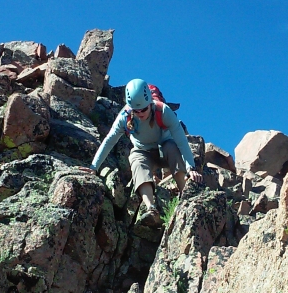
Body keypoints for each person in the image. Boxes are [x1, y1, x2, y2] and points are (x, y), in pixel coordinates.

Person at [82, 79, 202, 226]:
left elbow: (181, 140)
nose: (139, 113)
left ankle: (187, 198)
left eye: (143, 109)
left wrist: (191, 167)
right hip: (144, 152)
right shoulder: (124, 117)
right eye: (136, 111)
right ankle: (152, 209)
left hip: (165, 150)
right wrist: (94, 167)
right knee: (135, 158)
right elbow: (109, 141)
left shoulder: (163, 111)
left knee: (171, 146)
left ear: (150, 103)